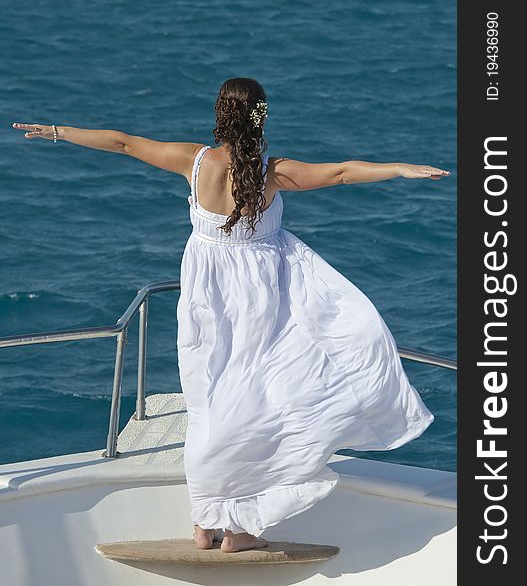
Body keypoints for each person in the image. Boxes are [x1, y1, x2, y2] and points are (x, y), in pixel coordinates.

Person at [12, 77, 449, 554]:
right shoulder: (271, 172)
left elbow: (122, 142)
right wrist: (400, 169)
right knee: (260, 400)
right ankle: (239, 529)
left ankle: (205, 524)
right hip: (263, 302)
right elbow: (342, 173)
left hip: (206, 302)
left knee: (208, 403)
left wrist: (57, 130)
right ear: (260, 118)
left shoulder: (193, 161)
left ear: (220, 114)